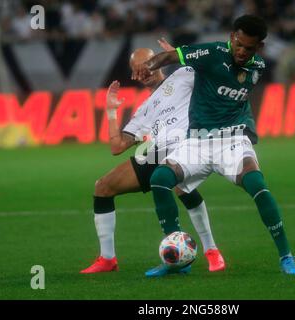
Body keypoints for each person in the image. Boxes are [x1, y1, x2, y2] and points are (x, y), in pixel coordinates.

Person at [133, 15, 295, 275]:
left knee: (256, 184)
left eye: (249, 47)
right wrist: (148, 64)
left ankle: (286, 257)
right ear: (232, 37)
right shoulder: (211, 52)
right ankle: (175, 260)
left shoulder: (258, 66)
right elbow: (169, 58)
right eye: (239, 44)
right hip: (197, 142)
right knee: (159, 178)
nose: (242, 51)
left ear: (259, 47)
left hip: (232, 139)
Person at [80, 48, 225, 276]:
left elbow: (212, 67)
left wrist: (178, 54)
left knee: (178, 184)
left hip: (188, 144)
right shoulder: (143, 110)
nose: (144, 71)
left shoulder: (183, 75)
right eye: (137, 69)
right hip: (157, 150)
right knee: (103, 187)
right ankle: (107, 259)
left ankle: (211, 250)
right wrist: (110, 112)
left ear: (158, 62)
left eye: (147, 64)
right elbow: (117, 146)